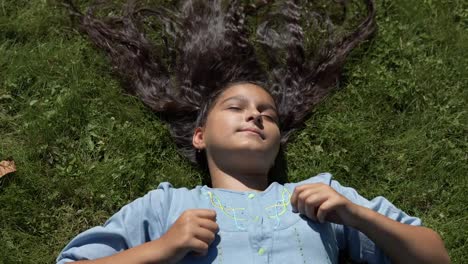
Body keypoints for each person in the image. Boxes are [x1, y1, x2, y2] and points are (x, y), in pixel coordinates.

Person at [58, 0, 450, 263]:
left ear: (278, 144)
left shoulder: (322, 196)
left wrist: (358, 216)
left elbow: (435, 255)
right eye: (236, 108)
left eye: (269, 114)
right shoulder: (167, 207)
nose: (256, 116)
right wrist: (163, 247)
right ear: (200, 136)